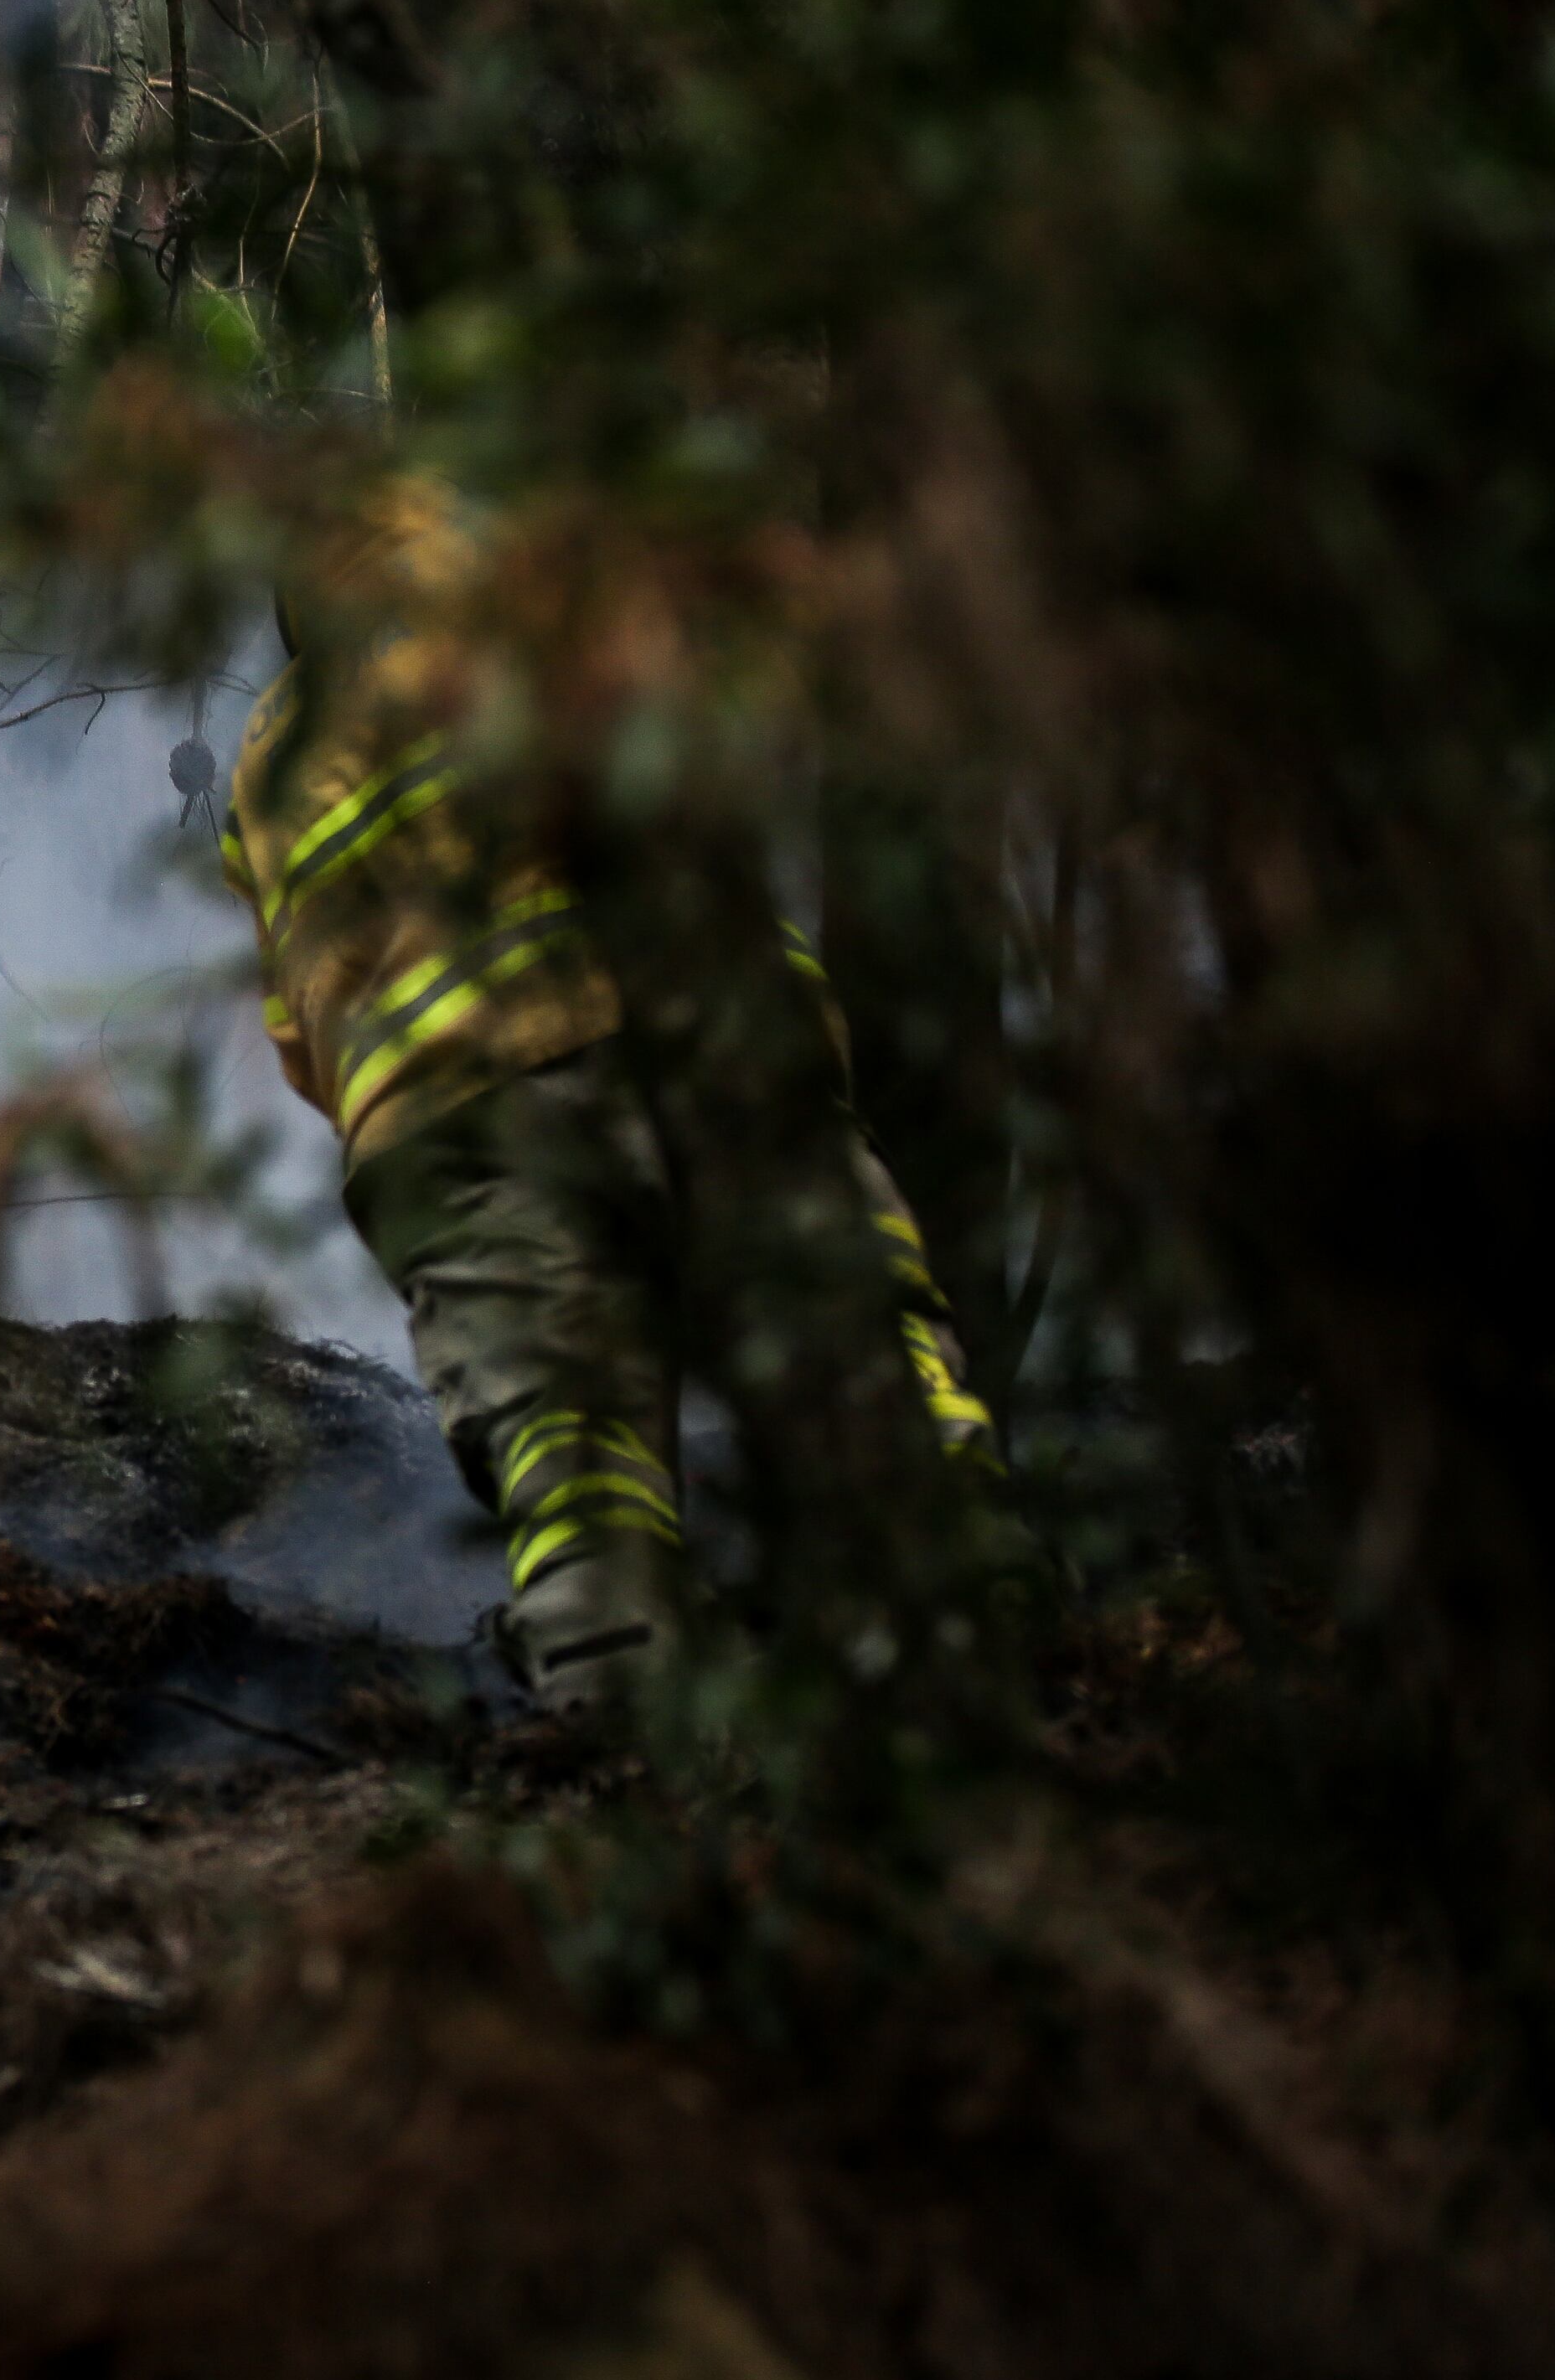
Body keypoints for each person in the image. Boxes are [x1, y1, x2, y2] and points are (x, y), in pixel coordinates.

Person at [217, 473, 995, 1712]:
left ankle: (623, 1754)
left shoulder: (266, 758)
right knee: (870, 1363)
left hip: (448, 1129)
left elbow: (297, 1026)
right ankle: (998, 1647)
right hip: (698, 1047)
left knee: (576, 1472)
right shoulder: (545, 611)